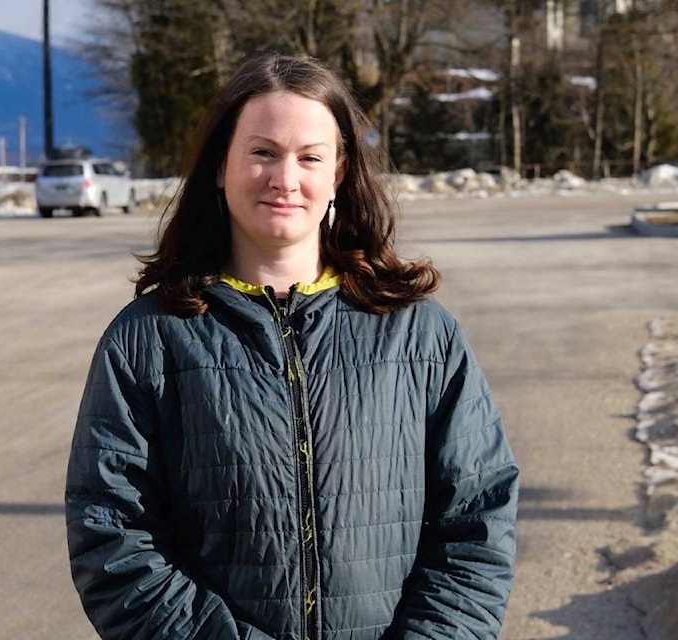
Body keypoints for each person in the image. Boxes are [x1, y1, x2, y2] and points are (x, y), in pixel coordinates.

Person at [65, 53, 519, 639]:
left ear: (339, 174)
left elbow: (478, 521)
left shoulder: (421, 336)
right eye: (261, 152)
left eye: (310, 157)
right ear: (219, 167)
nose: (285, 178)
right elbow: (112, 536)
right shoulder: (147, 340)